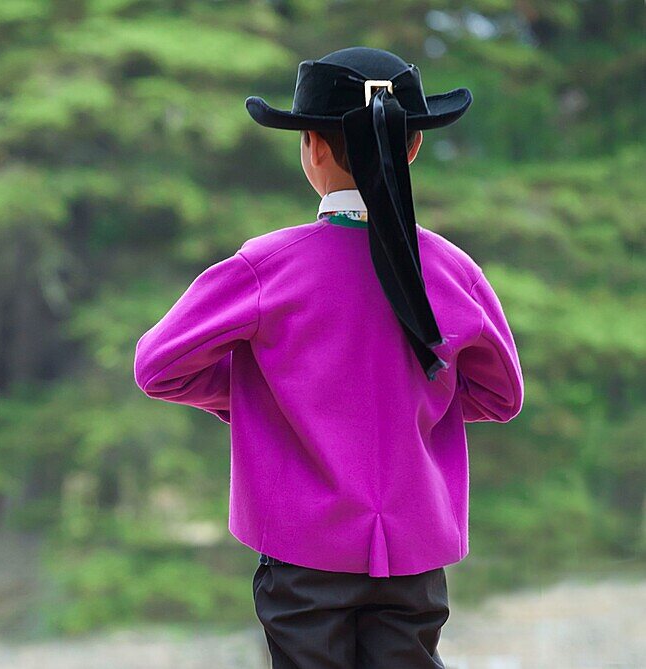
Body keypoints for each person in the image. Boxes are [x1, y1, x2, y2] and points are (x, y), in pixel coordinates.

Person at [134, 47, 523, 668]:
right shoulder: (453, 270)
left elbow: (157, 366)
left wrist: (265, 398)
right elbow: (501, 395)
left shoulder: (267, 267)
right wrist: (417, 400)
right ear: (413, 147)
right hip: (414, 550)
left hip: (303, 547)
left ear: (311, 146)